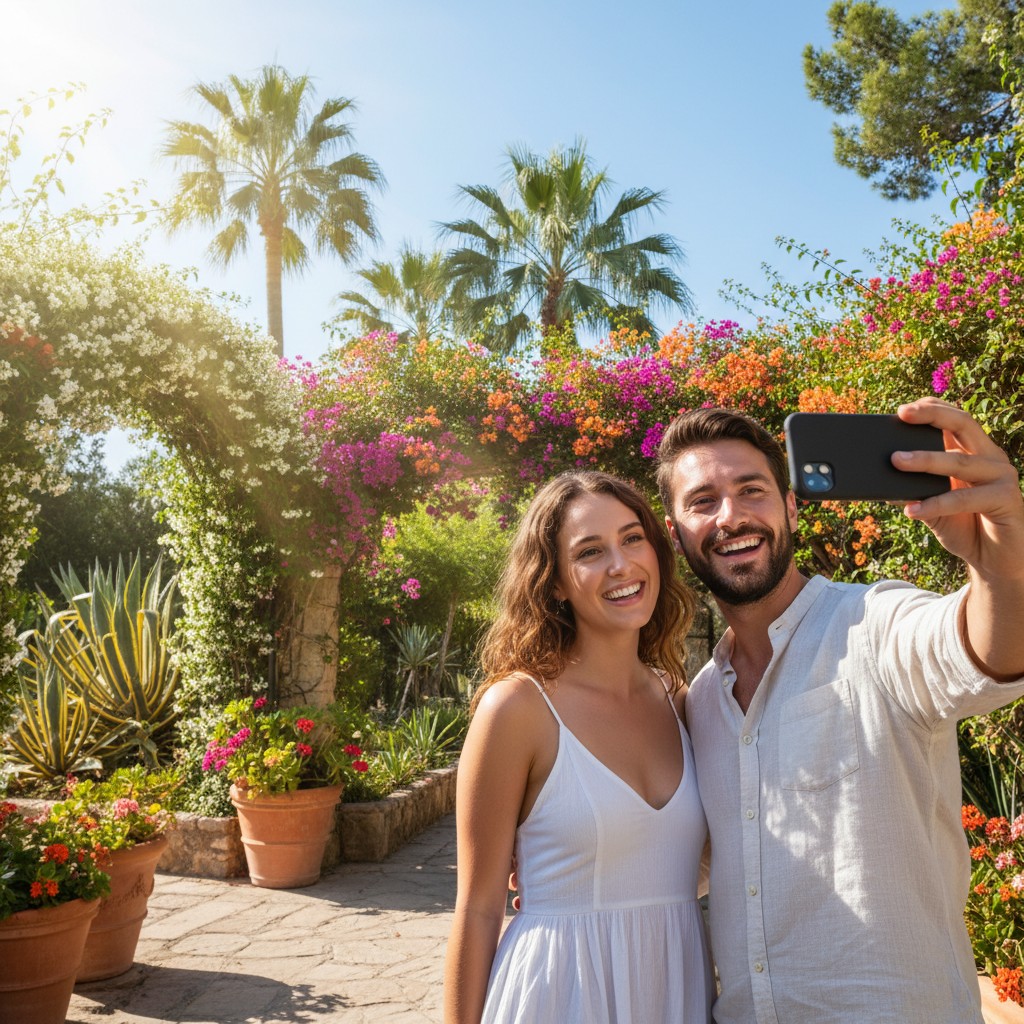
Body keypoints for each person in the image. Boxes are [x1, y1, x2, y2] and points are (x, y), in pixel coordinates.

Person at [655, 396, 1024, 1024]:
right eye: (702, 501)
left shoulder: (875, 624)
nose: (731, 516)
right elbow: (695, 859)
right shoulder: (701, 702)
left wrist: (1002, 569)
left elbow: (987, 652)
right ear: (676, 534)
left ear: (791, 506)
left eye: (751, 491)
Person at [443, 470, 714, 1024]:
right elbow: (477, 908)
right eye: (590, 551)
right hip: (560, 994)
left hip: (674, 989)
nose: (621, 564)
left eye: (632, 538)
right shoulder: (517, 709)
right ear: (555, 583)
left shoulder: (682, 700)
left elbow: (684, 861)